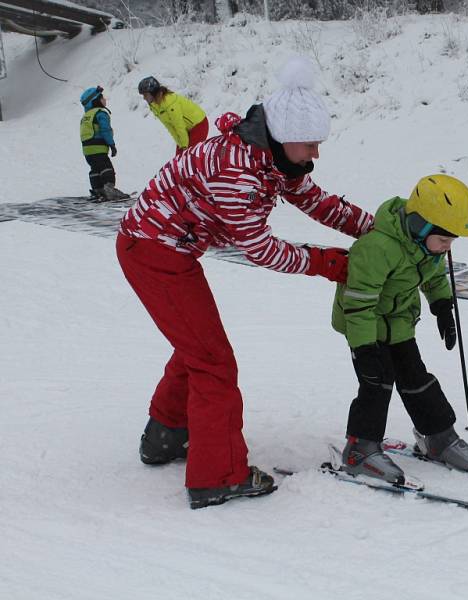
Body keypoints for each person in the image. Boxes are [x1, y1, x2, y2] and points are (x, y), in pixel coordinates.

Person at [117, 58, 374, 509]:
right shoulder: (238, 171)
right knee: (214, 362)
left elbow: (316, 201)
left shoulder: (269, 157)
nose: (315, 153)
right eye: (310, 144)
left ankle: (166, 435)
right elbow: (261, 250)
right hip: (153, 252)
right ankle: (217, 477)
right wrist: (327, 263)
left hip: (164, 249)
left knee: (198, 347)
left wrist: (373, 230)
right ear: (282, 137)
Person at [332, 174, 468, 485]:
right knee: (377, 382)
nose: (446, 248)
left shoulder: (428, 249)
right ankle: (360, 449)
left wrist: (442, 307)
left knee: (417, 379)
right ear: (420, 225)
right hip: (366, 325)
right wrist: (363, 348)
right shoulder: (377, 248)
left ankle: (438, 437)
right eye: (443, 240)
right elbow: (357, 304)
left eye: (451, 241)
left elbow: (435, 277)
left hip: (399, 323)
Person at [79, 86, 128, 201]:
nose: (105, 99)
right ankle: (109, 189)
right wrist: (111, 144)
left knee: (95, 169)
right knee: (106, 167)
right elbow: (105, 130)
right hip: (98, 147)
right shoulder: (100, 113)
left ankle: (98, 189)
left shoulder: (86, 116)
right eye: (102, 98)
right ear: (95, 101)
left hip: (87, 151)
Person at [137, 76, 209, 154]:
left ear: (152, 92)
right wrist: (180, 144)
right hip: (186, 129)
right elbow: (170, 127)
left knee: (190, 156)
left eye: (145, 95)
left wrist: (185, 147)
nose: (144, 98)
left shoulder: (169, 103)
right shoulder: (155, 106)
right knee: (178, 159)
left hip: (199, 125)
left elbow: (179, 125)